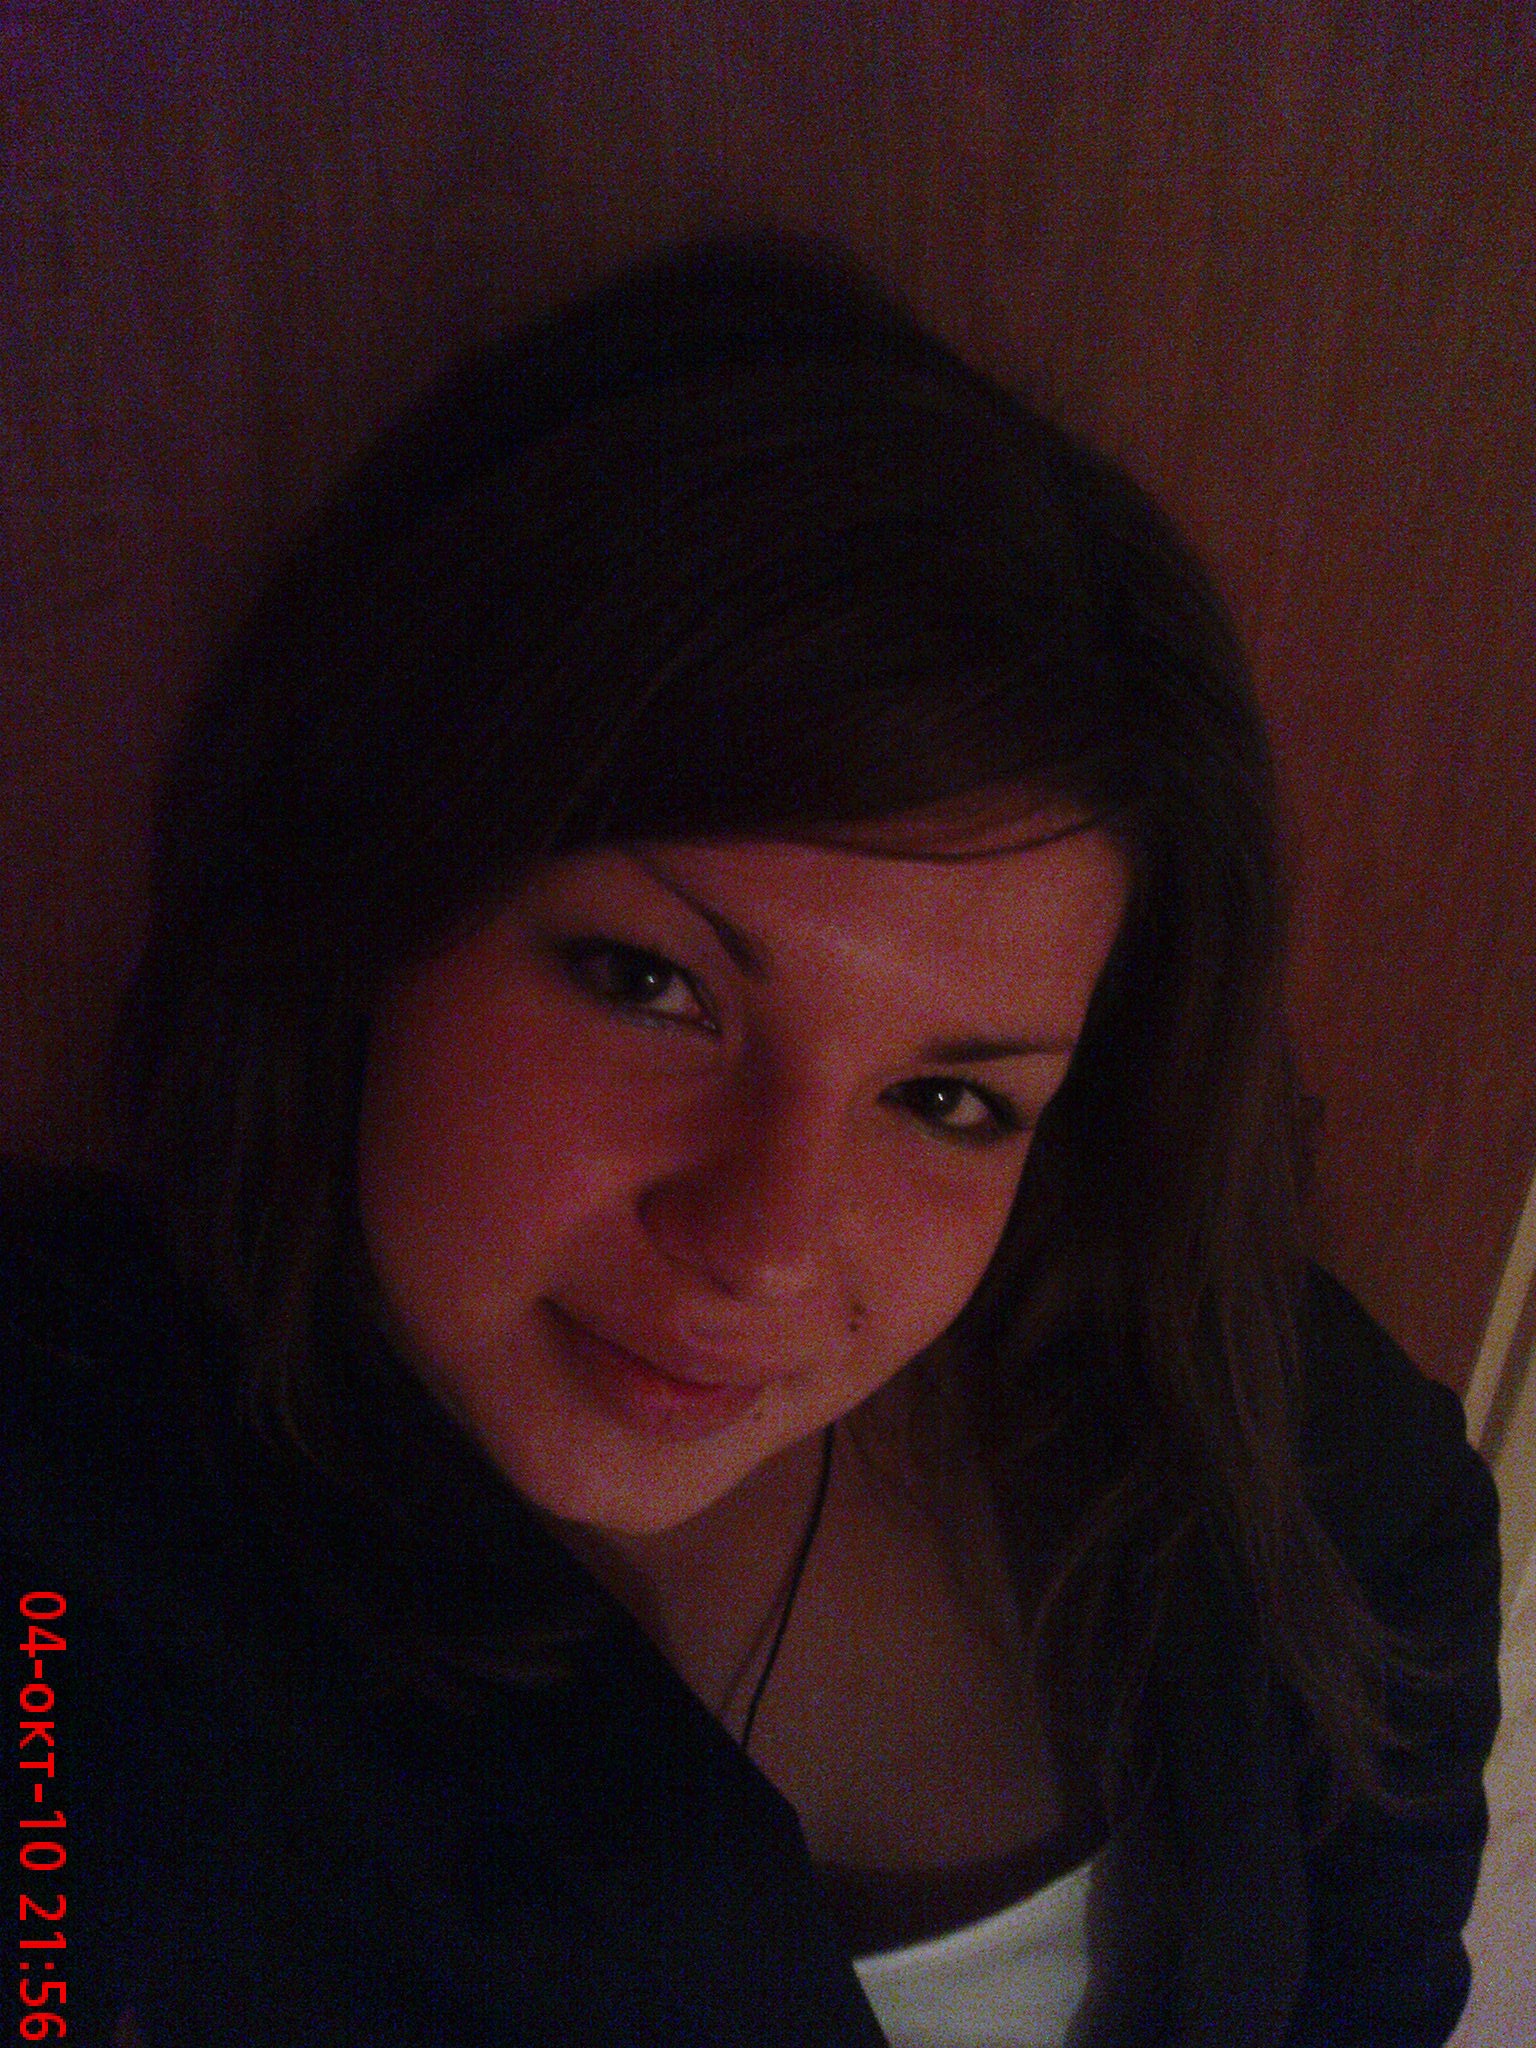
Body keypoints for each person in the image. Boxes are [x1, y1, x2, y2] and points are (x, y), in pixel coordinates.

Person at [3, 230, 1500, 2048]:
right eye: (650, 985)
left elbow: (1400, 1701)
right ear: (377, 879)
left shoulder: (1200, 1399)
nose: (769, 1245)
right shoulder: (78, 1515)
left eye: (949, 1100)